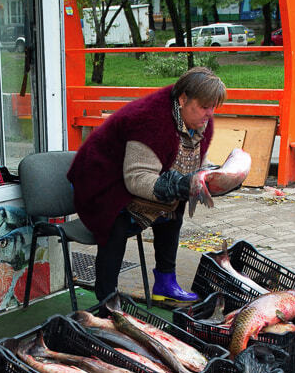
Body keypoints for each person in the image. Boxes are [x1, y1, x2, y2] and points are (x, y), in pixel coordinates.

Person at [67, 67, 226, 304]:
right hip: (98, 182)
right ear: (183, 99)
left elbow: (193, 161)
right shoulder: (151, 121)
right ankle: (107, 301)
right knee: (115, 222)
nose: (209, 113)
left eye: (213, 107)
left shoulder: (199, 122)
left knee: (174, 207)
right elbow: (138, 178)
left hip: (128, 178)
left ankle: (165, 283)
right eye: (204, 107)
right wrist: (180, 184)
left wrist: (213, 175)